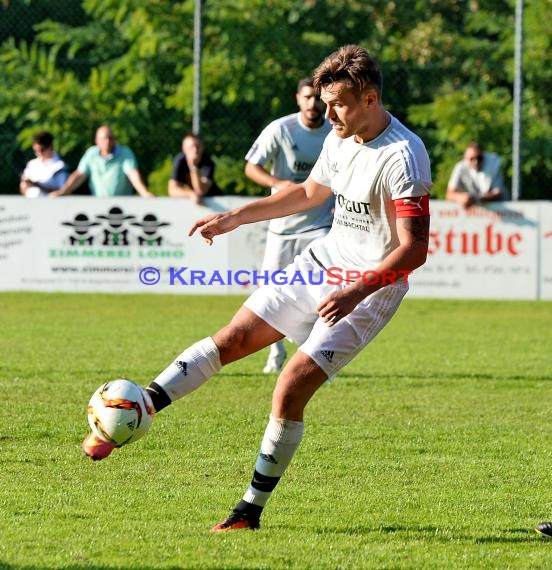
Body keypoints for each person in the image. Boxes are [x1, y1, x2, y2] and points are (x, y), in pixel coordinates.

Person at [81, 44, 432, 533]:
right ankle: (134, 413)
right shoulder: (341, 135)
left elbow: (414, 249)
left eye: (338, 104)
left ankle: (248, 512)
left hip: (369, 288)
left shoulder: (403, 156)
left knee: (288, 388)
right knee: (233, 338)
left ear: (370, 98)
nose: (327, 113)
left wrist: (354, 293)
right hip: (324, 261)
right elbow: (311, 193)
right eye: (324, 102)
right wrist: (236, 217)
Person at [245, 76, 333, 373]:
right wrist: (277, 183)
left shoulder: (336, 131)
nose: (313, 103)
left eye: (318, 98)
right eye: (307, 97)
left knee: (322, 290)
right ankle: (276, 351)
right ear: (298, 99)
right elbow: (251, 167)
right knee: (270, 291)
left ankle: (316, 355)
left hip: (320, 226)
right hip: (282, 227)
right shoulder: (281, 129)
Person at [49, 125, 153, 198]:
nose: (107, 142)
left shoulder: (125, 153)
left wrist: (144, 193)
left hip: (123, 206)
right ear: (97, 141)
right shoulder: (91, 154)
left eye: (110, 138)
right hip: (99, 205)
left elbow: (132, 174)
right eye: (104, 139)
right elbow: (79, 175)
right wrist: (63, 192)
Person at [446, 142, 506, 209]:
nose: (476, 162)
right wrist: (461, 197)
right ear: (465, 158)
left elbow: (498, 193)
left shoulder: (494, 163)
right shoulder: (460, 167)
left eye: (479, 158)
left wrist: (475, 199)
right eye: (472, 159)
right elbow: (449, 194)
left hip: (500, 211)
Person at [168, 134, 223, 204]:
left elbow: (200, 191)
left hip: (216, 202)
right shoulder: (180, 161)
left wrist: (193, 167)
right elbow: (172, 190)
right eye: (191, 147)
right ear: (184, 149)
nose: (195, 150)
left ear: (202, 148)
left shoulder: (208, 162)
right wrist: (190, 194)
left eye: (198, 146)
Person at [19, 131, 69, 198]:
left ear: (51, 146)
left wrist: (36, 185)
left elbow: (62, 191)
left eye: (42, 150)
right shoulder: (32, 164)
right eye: (36, 151)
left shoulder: (60, 166)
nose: (39, 153)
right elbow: (23, 188)